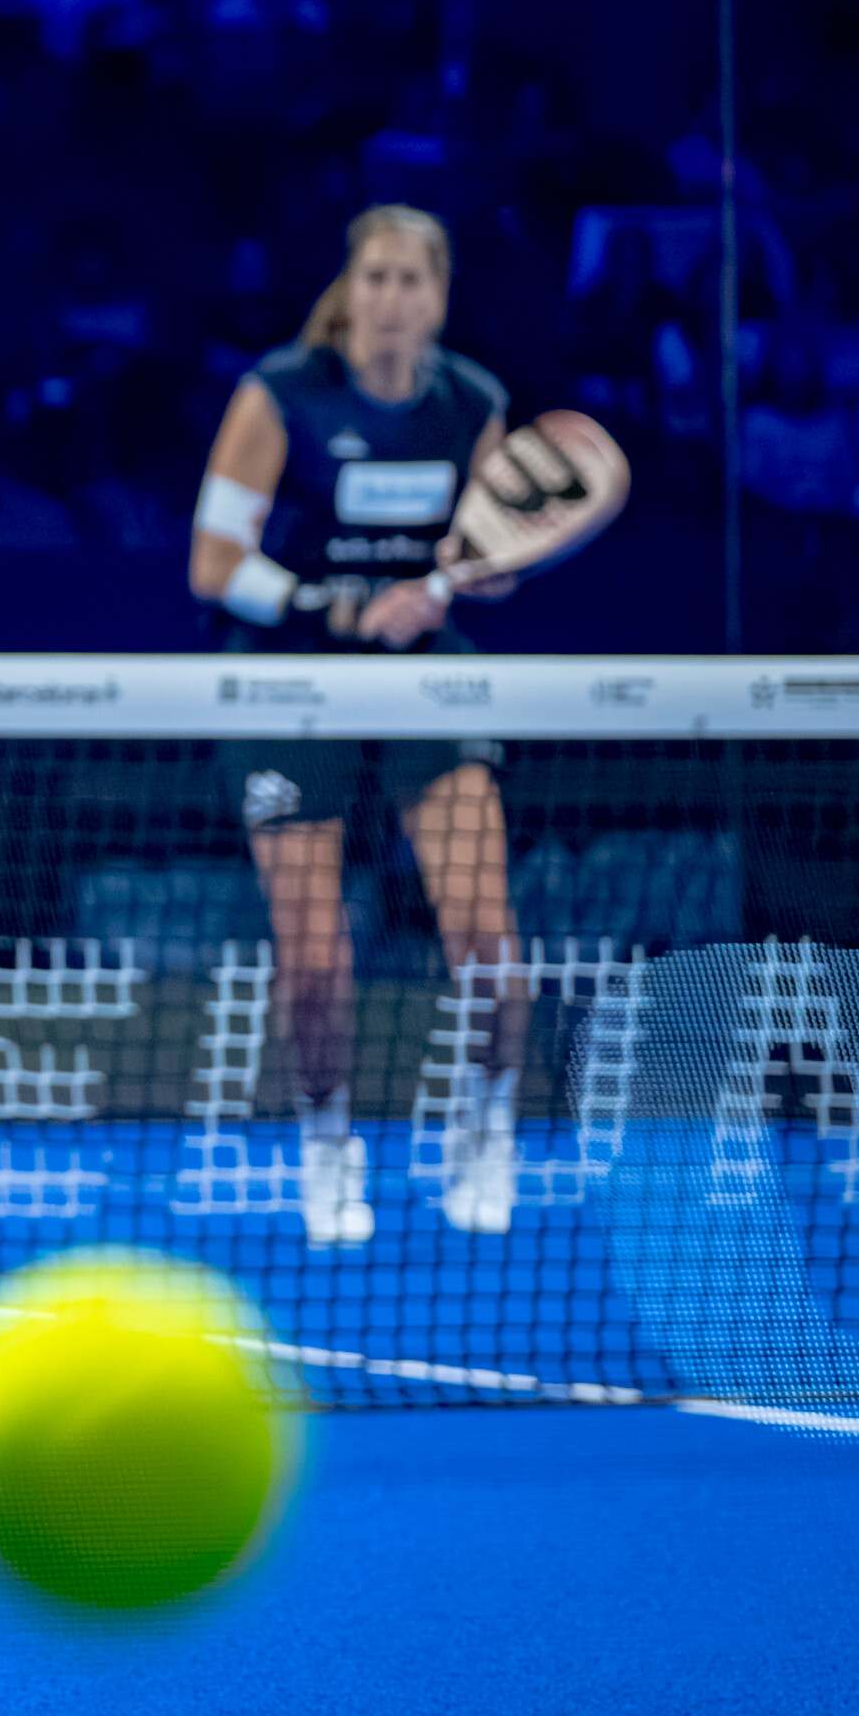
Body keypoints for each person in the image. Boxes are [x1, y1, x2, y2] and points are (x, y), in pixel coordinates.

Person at [186, 204, 529, 1246]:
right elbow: (214, 566)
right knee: (316, 963)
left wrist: (461, 584)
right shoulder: (280, 394)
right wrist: (329, 606)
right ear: (350, 288)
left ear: (439, 298)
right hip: (291, 679)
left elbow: (495, 563)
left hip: (425, 677)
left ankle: (486, 1123)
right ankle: (328, 1139)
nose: (389, 299)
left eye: (410, 281)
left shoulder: (473, 404)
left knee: (491, 947)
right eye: (374, 277)